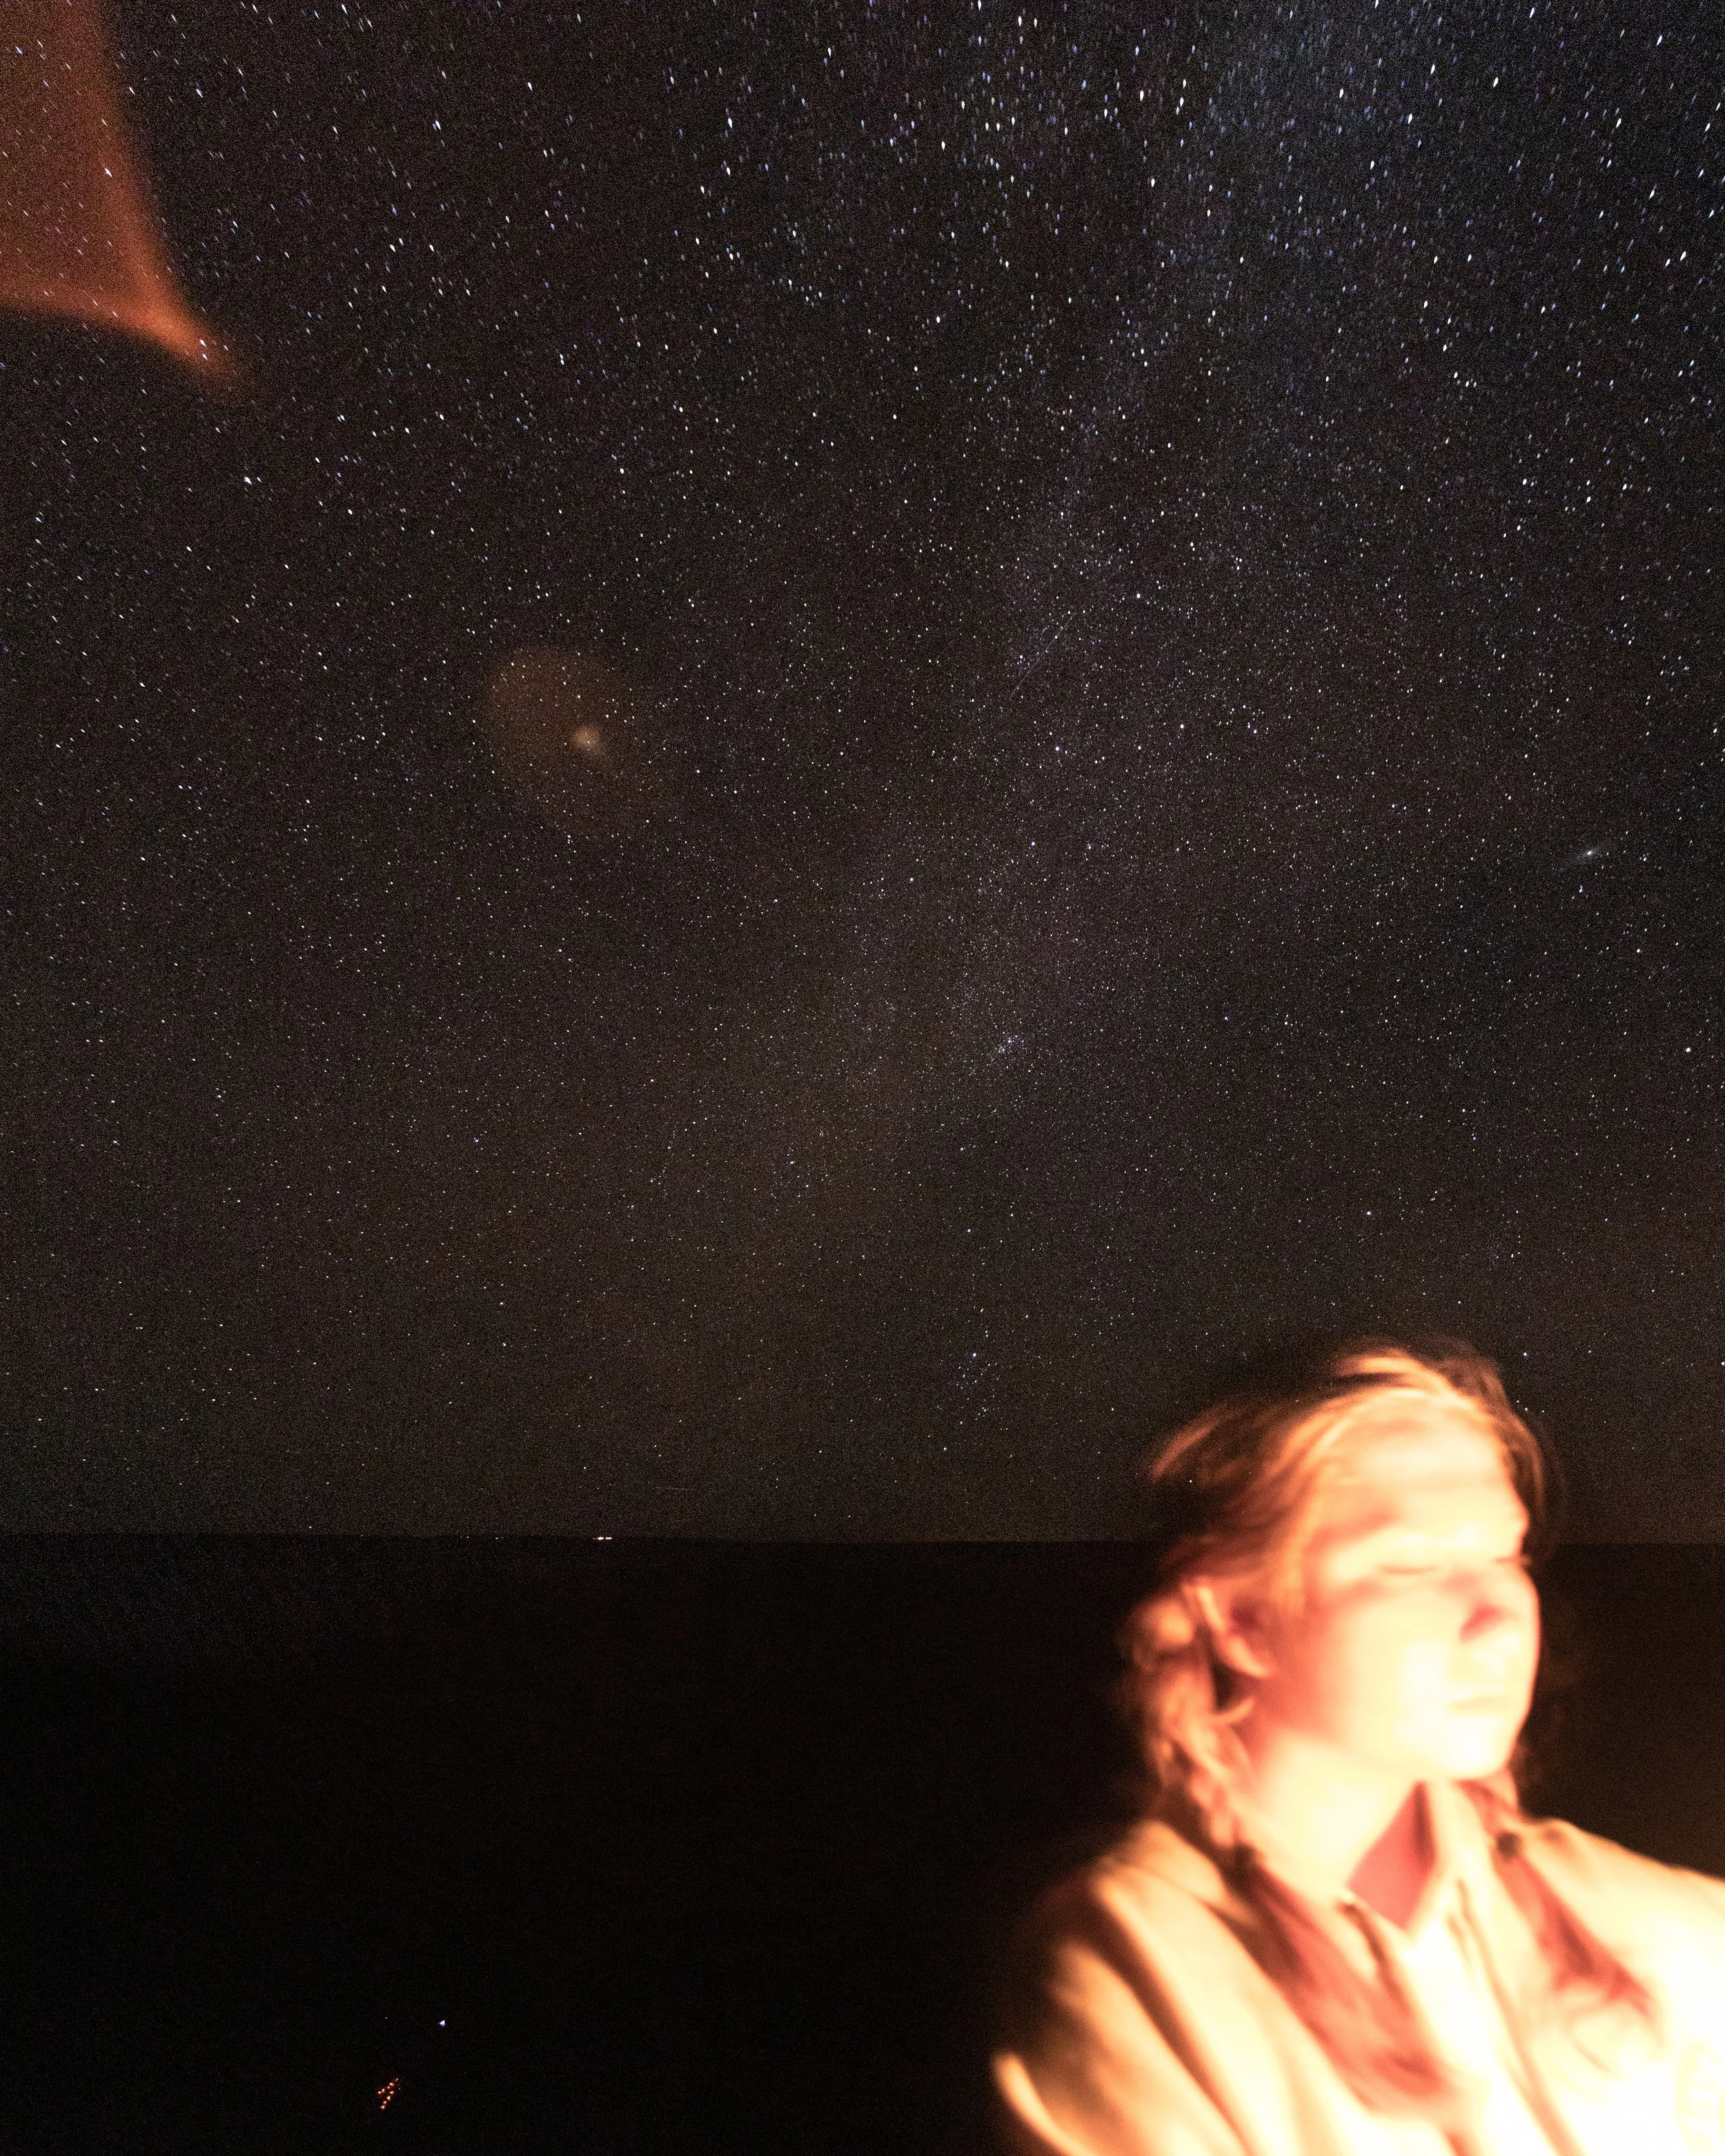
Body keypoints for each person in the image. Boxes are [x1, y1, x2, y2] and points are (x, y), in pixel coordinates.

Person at [994, 1341, 1725, 2156]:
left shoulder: (1650, 1923)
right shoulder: (1139, 1969)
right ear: (1241, 1621)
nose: (1498, 1617)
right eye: (1410, 1563)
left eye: (1504, 1554)